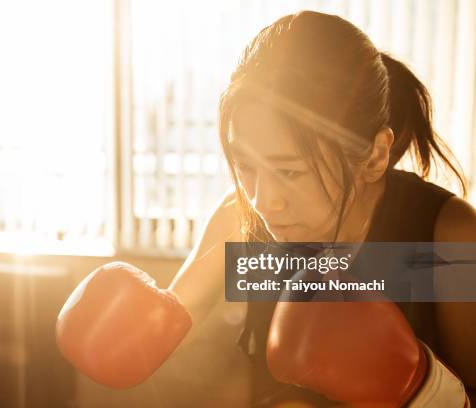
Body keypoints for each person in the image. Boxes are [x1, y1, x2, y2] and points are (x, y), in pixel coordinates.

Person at [57, 10, 476, 406]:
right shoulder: (240, 223)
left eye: (290, 172)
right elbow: (164, 327)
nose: (262, 200)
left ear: (374, 156)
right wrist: (132, 332)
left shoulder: (447, 239)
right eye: (246, 167)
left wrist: (422, 388)